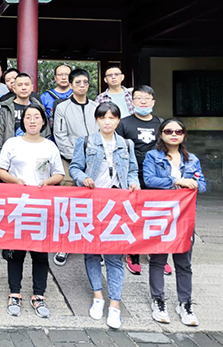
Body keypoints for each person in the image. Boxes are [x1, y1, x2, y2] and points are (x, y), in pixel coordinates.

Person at [69, 101, 140, 330]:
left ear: (118, 120)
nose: (107, 122)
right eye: (103, 117)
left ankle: (115, 304)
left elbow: (133, 171)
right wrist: (83, 178)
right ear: (97, 120)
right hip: (92, 203)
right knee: (91, 252)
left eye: (111, 118)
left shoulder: (126, 144)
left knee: (114, 255)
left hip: (117, 205)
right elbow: (74, 168)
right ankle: (98, 296)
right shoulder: (86, 141)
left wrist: (133, 183)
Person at [0, 104, 64, 319]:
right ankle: (14, 293)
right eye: (28, 117)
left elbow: (59, 173)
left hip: (42, 207)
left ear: (43, 121)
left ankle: (39, 294)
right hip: (17, 205)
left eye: (36, 117)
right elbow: (0, 170)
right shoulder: (12, 143)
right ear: (22, 121)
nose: (32, 120)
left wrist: (48, 182)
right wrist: (15, 180)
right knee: (15, 252)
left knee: (40, 253)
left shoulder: (50, 147)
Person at [143, 119, 206, 327]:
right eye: (168, 131)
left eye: (178, 131)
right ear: (161, 134)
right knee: (158, 259)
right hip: (161, 214)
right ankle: (158, 300)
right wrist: (177, 181)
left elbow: (202, 185)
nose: (173, 134)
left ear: (184, 135)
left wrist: (193, 183)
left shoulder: (192, 159)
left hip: (184, 216)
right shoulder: (153, 156)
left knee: (183, 262)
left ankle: (185, 303)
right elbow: (149, 180)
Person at [116, 85, 165, 276]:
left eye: (147, 98)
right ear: (132, 101)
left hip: (156, 177)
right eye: (138, 98)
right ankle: (133, 253)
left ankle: (156, 253)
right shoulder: (124, 123)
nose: (143, 102)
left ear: (153, 101)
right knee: (133, 214)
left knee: (155, 215)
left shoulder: (161, 124)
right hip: (133, 176)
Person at [53, 69, 98, 266]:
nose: (82, 85)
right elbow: (60, 135)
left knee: (93, 202)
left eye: (85, 82)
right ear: (70, 85)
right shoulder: (62, 107)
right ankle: (64, 244)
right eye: (78, 82)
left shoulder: (96, 107)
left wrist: (93, 156)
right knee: (68, 203)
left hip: (95, 161)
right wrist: (77, 157)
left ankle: (93, 245)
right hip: (69, 160)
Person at [0, 73, 49, 161]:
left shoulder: (40, 109)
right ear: (14, 88)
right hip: (11, 156)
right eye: (20, 85)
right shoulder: (5, 109)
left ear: (31, 87)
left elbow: (46, 133)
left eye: (26, 84)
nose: (23, 88)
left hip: (36, 156)